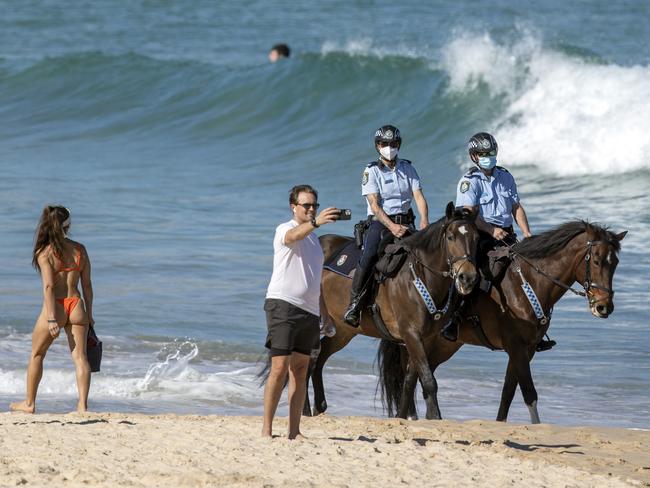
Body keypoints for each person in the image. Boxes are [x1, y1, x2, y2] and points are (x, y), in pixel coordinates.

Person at [262, 185, 339, 439]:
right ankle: (267, 430)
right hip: (283, 304)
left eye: (314, 205)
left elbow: (315, 279)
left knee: (300, 369)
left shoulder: (315, 241)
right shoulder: (285, 228)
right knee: (279, 367)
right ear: (293, 207)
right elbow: (292, 237)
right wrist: (316, 222)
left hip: (309, 310)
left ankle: (294, 431)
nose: (311, 209)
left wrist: (324, 312)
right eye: (306, 205)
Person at [440, 131, 532, 342]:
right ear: (474, 156)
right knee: (474, 274)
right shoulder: (469, 181)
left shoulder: (505, 176)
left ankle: (531, 324)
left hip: (507, 235)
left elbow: (516, 207)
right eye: (482, 153)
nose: (487, 156)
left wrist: (527, 233)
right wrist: (491, 230)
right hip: (479, 236)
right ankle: (454, 319)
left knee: (527, 271)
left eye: (490, 152)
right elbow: (468, 214)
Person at [10, 206, 94, 413]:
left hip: (55, 306)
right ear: (68, 226)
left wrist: (51, 319)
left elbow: (48, 287)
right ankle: (82, 406)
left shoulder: (44, 253)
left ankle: (29, 403)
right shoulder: (80, 249)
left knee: (37, 354)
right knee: (80, 357)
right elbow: (87, 285)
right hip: (76, 304)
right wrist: (89, 315)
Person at [343, 125, 429, 327]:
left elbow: (419, 196)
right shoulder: (371, 171)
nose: (389, 147)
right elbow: (374, 205)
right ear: (377, 146)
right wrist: (391, 227)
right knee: (369, 255)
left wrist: (425, 221)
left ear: (399, 145)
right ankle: (354, 303)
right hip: (380, 223)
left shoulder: (408, 168)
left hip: (407, 222)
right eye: (384, 144)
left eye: (393, 144)